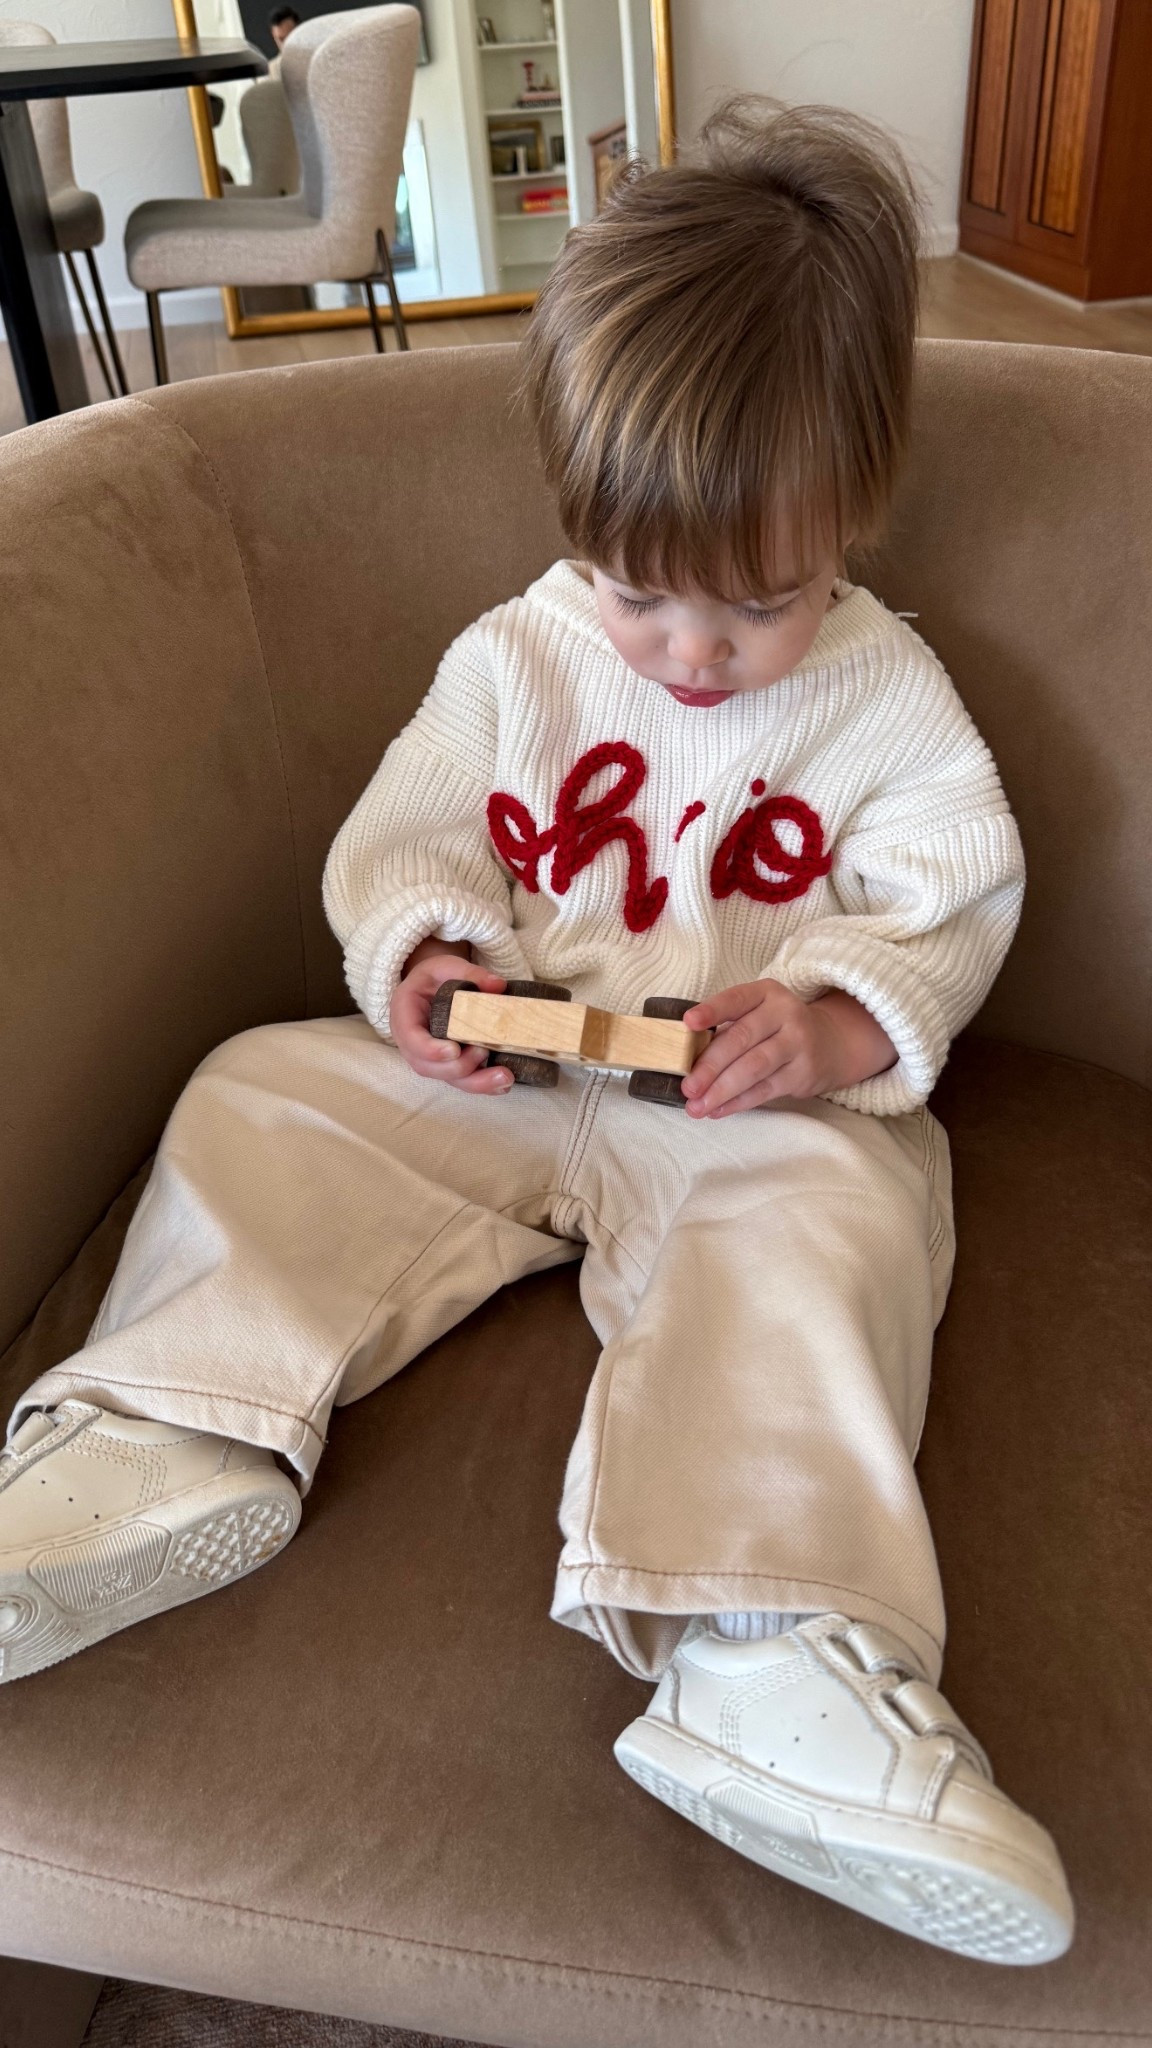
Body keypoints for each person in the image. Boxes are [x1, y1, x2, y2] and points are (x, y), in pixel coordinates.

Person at [0, 99, 1074, 1963]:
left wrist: (832, 1025)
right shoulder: (520, 655)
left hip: (739, 1116)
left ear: (856, 512)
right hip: (510, 1067)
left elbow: (953, 895)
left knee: (847, 1221)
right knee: (259, 1093)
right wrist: (423, 961)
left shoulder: (889, 696)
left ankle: (768, 1645)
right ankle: (160, 1432)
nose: (689, 653)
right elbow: (408, 836)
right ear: (580, 527)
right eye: (641, 591)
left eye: (757, 602)